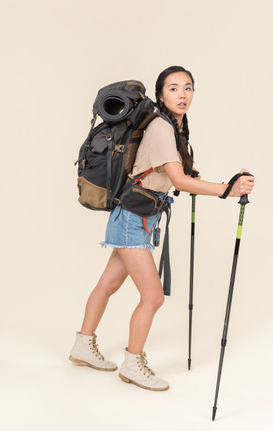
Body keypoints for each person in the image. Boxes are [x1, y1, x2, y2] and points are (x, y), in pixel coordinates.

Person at [69, 66, 255, 391]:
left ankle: (82, 345)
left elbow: (172, 174)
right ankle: (133, 362)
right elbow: (180, 180)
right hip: (132, 219)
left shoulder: (175, 126)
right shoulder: (161, 127)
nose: (182, 94)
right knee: (153, 297)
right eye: (173, 88)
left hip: (136, 215)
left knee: (108, 284)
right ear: (160, 94)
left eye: (188, 88)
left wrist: (196, 177)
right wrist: (228, 189)